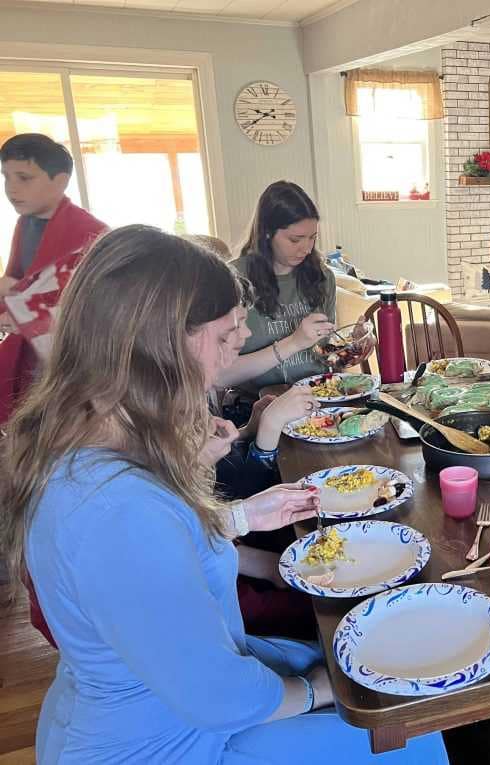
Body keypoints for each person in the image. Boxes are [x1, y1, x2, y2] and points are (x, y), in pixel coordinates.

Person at [0, 225, 447, 764]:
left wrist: (234, 519)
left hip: (156, 701)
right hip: (167, 741)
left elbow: (156, 558)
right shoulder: (117, 510)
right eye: (225, 338)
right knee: (410, 732)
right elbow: (217, 695)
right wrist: (323, 689)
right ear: (158, 346)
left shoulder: (90, 443)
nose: (229, 358)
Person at [0, 133, 106, 424]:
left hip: (69, 358)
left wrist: (17, 299)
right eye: (6, 177)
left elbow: (94, 306)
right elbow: (18, 279)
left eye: (24, 178)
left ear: (59, 181)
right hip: (30, 352)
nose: (11, 188)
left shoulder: (91, 233)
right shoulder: (26, 224)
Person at [222, 180, 337, 398]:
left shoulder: (323, 277)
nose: (307, 248)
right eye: (295, 239)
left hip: (320, 398)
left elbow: (326, 352)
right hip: (257, 405)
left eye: (313, 237)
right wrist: (293, 342)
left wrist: (349, 347)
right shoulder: (232, 280)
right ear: (267, 233)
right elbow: (219, 375)